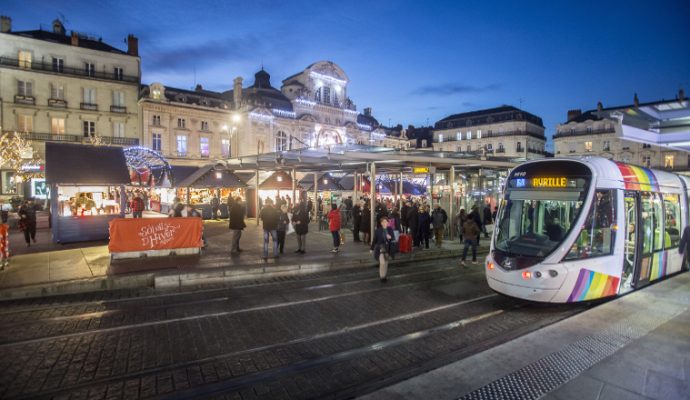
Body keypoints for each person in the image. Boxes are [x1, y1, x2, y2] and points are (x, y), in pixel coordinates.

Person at [371, 216, 395, 282]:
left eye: (386, 222)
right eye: (383, 222)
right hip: (380, 249)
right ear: (381, 223)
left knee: (386, 263)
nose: (385, 223)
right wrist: (371, 248)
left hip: (388, 249)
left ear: (388, 222)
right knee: (382, 263)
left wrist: (390, 238)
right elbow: (374, 240)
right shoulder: (378, 230)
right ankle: (382, 277)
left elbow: (393, 239)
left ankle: (384, 276)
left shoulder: (390, 229)